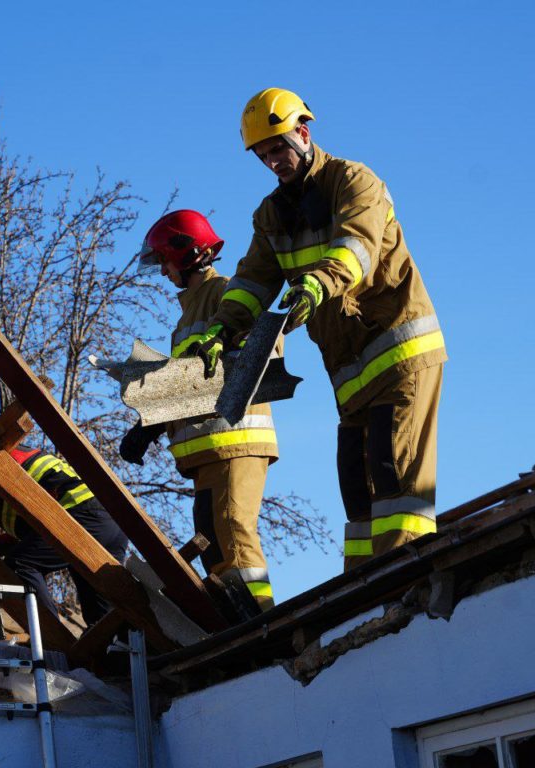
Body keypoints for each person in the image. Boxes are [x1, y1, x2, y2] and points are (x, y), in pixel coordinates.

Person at [197, 88, 446, 570]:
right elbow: (252, 279)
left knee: (395, 481)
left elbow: (358, 247)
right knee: (356, 486)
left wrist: (317, 283)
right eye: (263, 155)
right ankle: (359, 595)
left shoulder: (354, 182)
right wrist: (221, 329)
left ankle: (404, 584)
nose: (273, 162)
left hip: (400, 353)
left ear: (303, 134)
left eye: (278, 148)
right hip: (349, 372)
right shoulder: (272, 215)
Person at [119, 210, 278, 609]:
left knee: (233, 537)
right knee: (214, 550)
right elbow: (191, 383)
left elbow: (264, 353)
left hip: (234, 442)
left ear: (186, 253)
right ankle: (236, 629)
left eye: (165, 262)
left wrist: (164, 398)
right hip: (206, 452)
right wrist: (150, 423)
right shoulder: (187, 316)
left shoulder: (226, 292)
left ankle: (263, 624)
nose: (163, 273)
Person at [0, 445, 128, 627]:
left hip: (81, 517)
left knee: (20, 563)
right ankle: (119, 648)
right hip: (107, 523)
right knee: (101, 618)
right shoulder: (11, 473)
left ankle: (53, 636)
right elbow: (35, 537)